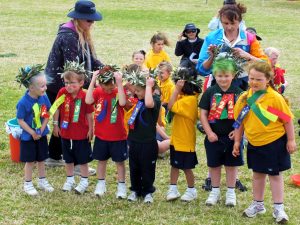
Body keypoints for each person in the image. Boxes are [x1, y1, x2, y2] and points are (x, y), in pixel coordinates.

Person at [233, 61, 296, 223]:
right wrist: (237, 142)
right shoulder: (244, 98)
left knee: (275, 175)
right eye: (251, 78)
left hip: (274, 143)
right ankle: (258, 204)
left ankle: (278, 208)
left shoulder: (275, 98)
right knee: (257, 175)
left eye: (259, 79)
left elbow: (287, 120)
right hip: (254, 143)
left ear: (268, 79)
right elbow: (240, 122)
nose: (254, 82)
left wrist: (291, 140)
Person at [45, 0, 103, 172]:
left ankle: (54, 156)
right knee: (72, 122)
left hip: (67, 84)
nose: (92, 23)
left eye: (93, 20)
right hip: (62, 86)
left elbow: (90, 59)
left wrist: (105, 70)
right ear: (78, 19)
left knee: (66, 120)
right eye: (89, 20)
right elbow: (73, 71)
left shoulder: (79, 33)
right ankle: (77, 163)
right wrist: (92, 84)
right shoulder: (69, 37)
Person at [199, 58, 243, 206]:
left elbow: (245, 114)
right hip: (214, 137)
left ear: (233, 75)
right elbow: (203, 114)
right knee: (214, 164)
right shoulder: (210, 92)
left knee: (231, 165)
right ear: (214, 75)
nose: (223, 79)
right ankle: (215, 191)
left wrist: (237, 131)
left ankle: (231, 192)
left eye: (226, 75)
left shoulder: (239, 93)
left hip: (232, 137)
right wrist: (209, 132)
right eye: (219, 76)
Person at [197, 2, 268, 91]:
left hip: (244, 86)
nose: (229, 27)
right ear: (220, 21)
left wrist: (248, 56)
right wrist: (211, 57)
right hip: (217, 85)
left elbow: (265, 64)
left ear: (240, 21)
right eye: (225, 23)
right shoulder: (212, 38)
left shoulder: (249, 38)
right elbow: (201, 69)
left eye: (233, 23)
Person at [85, 65, 128, 199]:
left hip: (118, 136)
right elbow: (88, 100)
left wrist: (119, 83)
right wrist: (93, 79)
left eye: (110, 85)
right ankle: (100, 184)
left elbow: (122, 103)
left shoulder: (118, 91)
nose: (107, 89)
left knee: (120, 163)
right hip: (102, 136)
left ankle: (121, 186)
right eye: (104, 86)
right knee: (101, 161)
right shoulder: (98, 91)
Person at [52, 61, 94, 194]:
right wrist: (55, 125)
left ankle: (84, 180)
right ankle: (70, 179)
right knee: (67, 158)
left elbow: (89, 114)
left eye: (72, 83)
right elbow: (56, 108)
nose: (68, 86)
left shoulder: (85, 95)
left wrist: (91, 130)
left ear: (81, 83)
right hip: (65, 132)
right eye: (66, 83)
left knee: (82, 159)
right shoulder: (62, 92)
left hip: (81, 134)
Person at [15, 64, 54, 196]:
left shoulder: (43, 97)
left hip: (41, 135)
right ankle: (28, 183)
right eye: (42, 86)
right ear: (31, 88)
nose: (46, 88)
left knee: (42, 158)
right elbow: (20, 120)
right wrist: (32, 132)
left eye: (45, 85)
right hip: (28, 137)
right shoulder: (23, 103)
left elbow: (46, 113)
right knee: (30, 160)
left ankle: (42, 181)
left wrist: (41, 130)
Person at [166, 67, 202, 202]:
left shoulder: (190, 100)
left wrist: (176, 90)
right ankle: (173, 188)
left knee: (187, 168)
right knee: (174, 165)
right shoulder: (185, 97)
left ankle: (192, 190)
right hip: (176, 139)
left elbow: (170, 106)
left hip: (185, 141)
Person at [125, 71, 161, 203]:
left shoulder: (155, 100)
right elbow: (124, 101)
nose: (137, 93)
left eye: (139, 90)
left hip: (148, 143)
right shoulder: (136, 100)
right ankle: (135, 189)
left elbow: (149, 104)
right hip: (134, 141)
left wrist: (148, 87)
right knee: (134, 167)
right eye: (136, 90)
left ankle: (147, 192)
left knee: (147, 168)